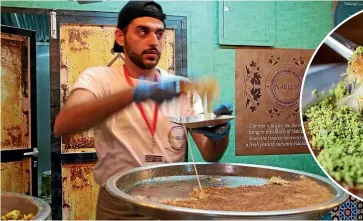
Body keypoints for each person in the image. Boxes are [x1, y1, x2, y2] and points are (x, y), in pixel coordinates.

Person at [53, 0, 233, 219]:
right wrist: (138, 93)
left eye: (159, 34)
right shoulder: (98, 78)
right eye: (142, 31)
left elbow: (210, 154)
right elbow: (64, 125)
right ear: (120, 36)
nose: (153, 41)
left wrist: (220, 132)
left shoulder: (182, 87)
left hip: (174, 199)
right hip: (119, 206)